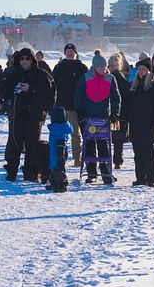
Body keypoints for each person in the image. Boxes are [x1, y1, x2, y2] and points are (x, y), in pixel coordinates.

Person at [4, 47, 56, 182]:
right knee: (14, 145)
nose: (24, 61)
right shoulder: (13, 74)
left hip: (34, 115)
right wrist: (13, 91)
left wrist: (30, 89)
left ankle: (31, 174)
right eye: (22, 59)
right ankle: (11, 172)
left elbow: (50, 92)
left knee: (33, 146)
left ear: (32, 60)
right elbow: (3, 90)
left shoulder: (41, 74)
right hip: (17, 115)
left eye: (27, 58)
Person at [74, 52, 121, 185]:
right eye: (101, 67)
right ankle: (91, 174)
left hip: (103, 118)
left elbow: (116, 98)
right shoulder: (85, 78)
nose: (104, 69)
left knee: (103, 146)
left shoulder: (110, 79)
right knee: (89, 145)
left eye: (105, 66)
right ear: (95, 67)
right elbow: (78, 97)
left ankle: (105, 173)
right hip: (87, 118)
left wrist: (115, 114)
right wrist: (81, 114)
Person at [125, 59, 154, 187]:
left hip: (150, 123)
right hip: (135, 124)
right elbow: (128, 105)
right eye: (139, 69)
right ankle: (140, 177)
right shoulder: (133, 86)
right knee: (138, 152)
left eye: (143, 69)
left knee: (149, 151)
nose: (141, 72)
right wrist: (126, 119)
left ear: (149, 71)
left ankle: (152, 178)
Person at [52, 43, 87, 167]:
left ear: (76, 53)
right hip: (61, 106)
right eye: (68, 51)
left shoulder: (82, 68)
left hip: (75, 106)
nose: (70, 53)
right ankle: (59, 157)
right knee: (59, 133)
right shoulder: (59, 67)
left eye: (72, 51)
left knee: (75, 133)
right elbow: (53, 85)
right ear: (65, 53)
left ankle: (77, 157)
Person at [108, 54, 130, 170]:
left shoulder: (118, 78)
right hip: (116, 112)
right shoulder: (110, 77)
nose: (111, 67)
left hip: (119, 114)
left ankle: (117, 160)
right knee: (115, 138)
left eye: (113, 65)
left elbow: (124, 96)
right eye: (109, 65)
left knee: (117, 139)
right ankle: (115, 160)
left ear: (118, 65)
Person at [45, 106, 73, 193]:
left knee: (54, 168)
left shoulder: (52, 127)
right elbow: (71, 130)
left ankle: (53, 182)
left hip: (53, 152)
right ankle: (61, 183)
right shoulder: (65, 126)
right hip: (62, 149)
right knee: (61, 167)